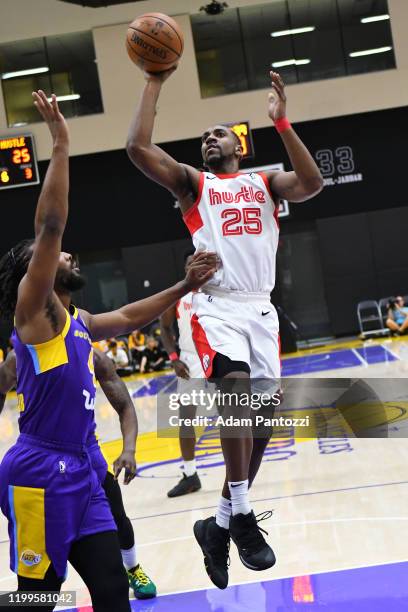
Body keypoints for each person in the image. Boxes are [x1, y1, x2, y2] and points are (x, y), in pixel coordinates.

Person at [0, 90, 215, 611]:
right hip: (37, 473)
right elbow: (51, 226)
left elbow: (130, 316)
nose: (67, 251)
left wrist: (183, 286)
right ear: (40, 270)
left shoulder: (77, 323)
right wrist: (60, 143)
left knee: (113, 592)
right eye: (54, 254)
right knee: (38, 599)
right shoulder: (34, 314)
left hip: (83, 468)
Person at [127, 69, 323, 589]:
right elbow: (137, 147)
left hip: (261, 309)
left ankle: (215, 527)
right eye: (202, 139)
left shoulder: (263, 183)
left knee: (261, 425)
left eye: (216, 134)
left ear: (238, 143)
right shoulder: (196, 184)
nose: (207, 141)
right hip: (214, 304)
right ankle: (239, 515)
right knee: (232, 387)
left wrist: (282, 123)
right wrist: (154, 81)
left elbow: (311, 184)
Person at [0, 347, 156, 600]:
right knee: (40, 593)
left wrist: (129, 449)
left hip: (87, 453)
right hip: (43, 461)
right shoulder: (20, 357)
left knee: (118, 519)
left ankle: (133, 568)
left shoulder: (88, 351)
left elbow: (125, 404)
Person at [160, 252, 204, 498]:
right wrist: (174, 358)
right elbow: (164, 327)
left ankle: (239, 472)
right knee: (186, 421)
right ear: (186, 268)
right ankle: (190, 474)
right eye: (190, 263)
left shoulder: (218, 291)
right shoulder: (178, 295)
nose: (194, 266)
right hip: (190, 360)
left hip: (218, 356)